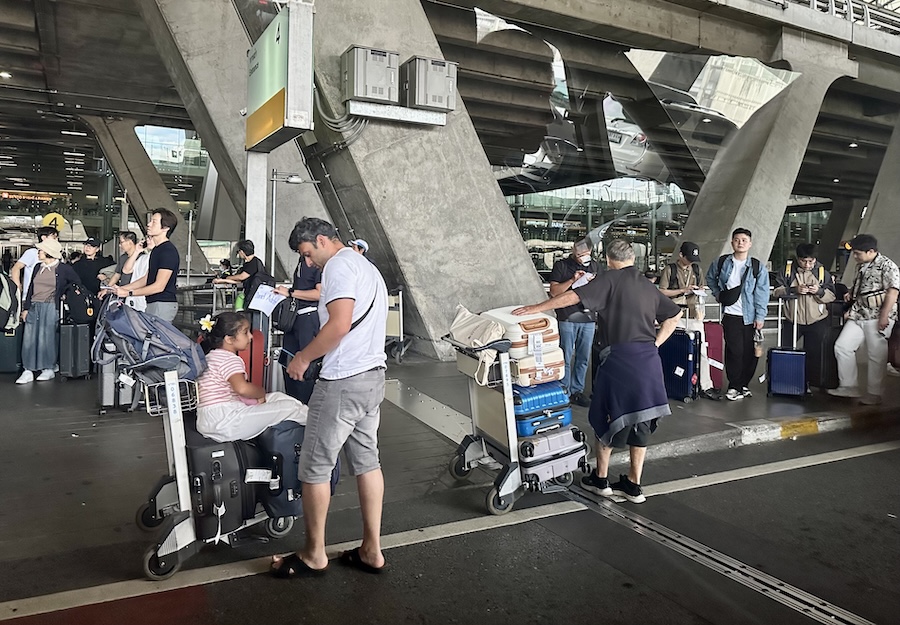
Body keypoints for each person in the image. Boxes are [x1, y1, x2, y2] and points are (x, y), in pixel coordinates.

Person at [513, 240, 682, 504]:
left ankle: (601, 480)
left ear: (608, 259)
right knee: (643, 420)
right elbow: (674, 315)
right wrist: (657, 342)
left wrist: (535, 309)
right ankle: (633, 485)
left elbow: (573, 297)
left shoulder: (610, 279)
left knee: (605, 415)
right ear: (632, 259)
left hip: (618, 359)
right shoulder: (646, 285)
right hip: (648, 360)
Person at [271, 217, 388, 578]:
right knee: (368, 462)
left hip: (342, 381)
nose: (308, 264)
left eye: (307, 254)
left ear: (322, 241)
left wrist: (304, 357)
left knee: (314, 467)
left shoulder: (338, 266)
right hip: (373, 377)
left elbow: (338, 324)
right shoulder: (365, 266)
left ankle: (314, 554)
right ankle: (371, 549)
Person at [196, 312, 307, 442]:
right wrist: (260, 393)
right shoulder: (229, 359)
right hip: (225, 421)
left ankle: (311, 419)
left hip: (212, 418)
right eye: (245, 332)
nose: (251, 336)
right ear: (229, 339)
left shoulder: (211, 356)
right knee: (290, 407)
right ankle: (321, 428)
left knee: (278, 397)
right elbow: (242, 389)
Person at [828, 234, 899, 405]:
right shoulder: (861, 266)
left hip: (877, 316)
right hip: (859, 313)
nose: (854, 256)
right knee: (842, 346)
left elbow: (893, 291)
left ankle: (874, 393)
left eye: (857, 253)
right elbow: (863, 287)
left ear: (871, 251)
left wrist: (884, 315)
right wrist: (851, 293)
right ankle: (849, 385)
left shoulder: (887, 266)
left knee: (876, 354)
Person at [705, 228, 770, 401]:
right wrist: (718, 294)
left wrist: (760, 316)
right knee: (735, 351)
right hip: (731, 314)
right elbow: (710, 278)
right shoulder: (722, 262)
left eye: (744, 240)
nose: (740, 242)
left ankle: (743, 385)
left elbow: (762, 293)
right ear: (732, 242)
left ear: (750, 243)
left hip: (750, 317)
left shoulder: (757, 266)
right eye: (737, 239)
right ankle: (734, 385)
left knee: (750, 352)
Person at [659, 241, 719, 401]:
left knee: (702, 351)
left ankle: (705, 386)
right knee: (672, 350)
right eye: (689, 258)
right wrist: (682, 291)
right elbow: (662, 292)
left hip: (694, 314)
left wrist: (698, 290)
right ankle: (670, 383)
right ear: (681, 255)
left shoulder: (697, 269)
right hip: (674, 315)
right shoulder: (670, 269)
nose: (691, 261)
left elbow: (703, 287)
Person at [16, 238, 82, 384]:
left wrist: (64, 294)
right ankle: (28, 369)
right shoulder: (37, 267)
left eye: (41, 250)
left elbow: (76, 283)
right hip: (34, 304)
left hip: (51, 305)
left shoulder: (63, 268)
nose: (38, 252)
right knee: (29, 338)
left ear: (48, 253)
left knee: (47, 337)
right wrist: (26, 308)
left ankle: (48, 368)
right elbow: (31, 288)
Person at [772, 243, 836, 390]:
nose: (807, 265)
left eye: (811, 261)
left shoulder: (822, 273)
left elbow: (831, 296)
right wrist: (793, 289)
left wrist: (819, 292)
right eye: (803, 261)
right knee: (786, 351)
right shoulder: (787, 271)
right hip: (792, 319)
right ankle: (785, 381)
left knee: (815, 354)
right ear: (797, 258)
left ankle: (810, 383)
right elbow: (776, 292)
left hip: (817, 320)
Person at [548, 238, 599, 406]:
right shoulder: (562, 266)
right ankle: (564, 389)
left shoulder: (594, 266)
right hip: (567, 317)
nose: (581, 258)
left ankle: (577, 390)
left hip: (588, 318)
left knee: (584, 357)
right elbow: (554, 292)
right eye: (578, 254)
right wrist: (572, 280)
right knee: (565, 355)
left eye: (584, 254)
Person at [114, 208, 180, 322]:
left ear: (165, 228)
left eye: (154, 222)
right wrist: (122, 288)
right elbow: (147, 279)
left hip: (162, 304)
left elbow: (159, 286)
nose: (148, 224)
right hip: (153, 303)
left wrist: (129, 293)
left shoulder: (168, 251)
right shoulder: (157, 250)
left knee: (153, 339)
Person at [274, 251, 322, 405]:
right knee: (288, 358)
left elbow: (319, 294)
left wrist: (290, 293)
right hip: (295, 318)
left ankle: (305, 408)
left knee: (306, 366)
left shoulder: (319, 264)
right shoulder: (302, 261)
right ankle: (293, 405)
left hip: (308, 317)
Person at [10, 226, 58, 305]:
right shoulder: (32, 253)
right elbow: (16, 268)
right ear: (44, 238)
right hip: (31, 298)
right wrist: (17, 286)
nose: (56, 240)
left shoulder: (56, 256)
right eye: (54, 237)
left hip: (51, 299)